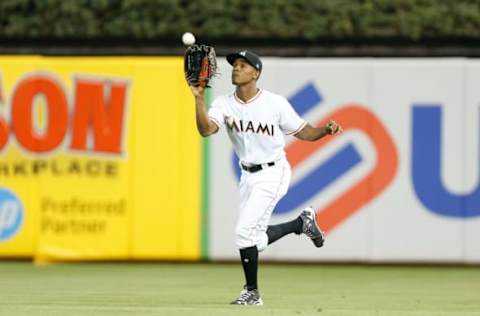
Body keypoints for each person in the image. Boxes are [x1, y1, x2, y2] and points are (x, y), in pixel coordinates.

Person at [189, 50, 343, 306]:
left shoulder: (275, 103)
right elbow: (206, 130)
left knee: (243, 233)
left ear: (256, 73)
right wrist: (199, 99)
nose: (236, 69)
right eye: (234, 65)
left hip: (274, 172)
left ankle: (252, 293)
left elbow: (304, 132)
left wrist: (325, 130)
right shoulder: (223, 104)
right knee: (255, 240)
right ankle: (301, 223)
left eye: (242, 65)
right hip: (247, 175)